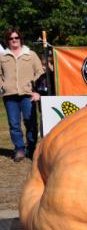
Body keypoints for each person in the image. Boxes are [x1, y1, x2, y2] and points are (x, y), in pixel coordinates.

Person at [0, 28, 44, 161]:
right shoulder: (2, 57)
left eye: (16, 38)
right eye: (11, 38)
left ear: (20, 39)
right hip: (10, 95)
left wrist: (35, 89)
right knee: (14, 124)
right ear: (7, 41)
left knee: (30, 123)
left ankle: (31, 148)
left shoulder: (31, 54)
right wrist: (2, 86)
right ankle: (19, 149)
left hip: (28, 94)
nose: (14, 40)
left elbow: (40, 73)